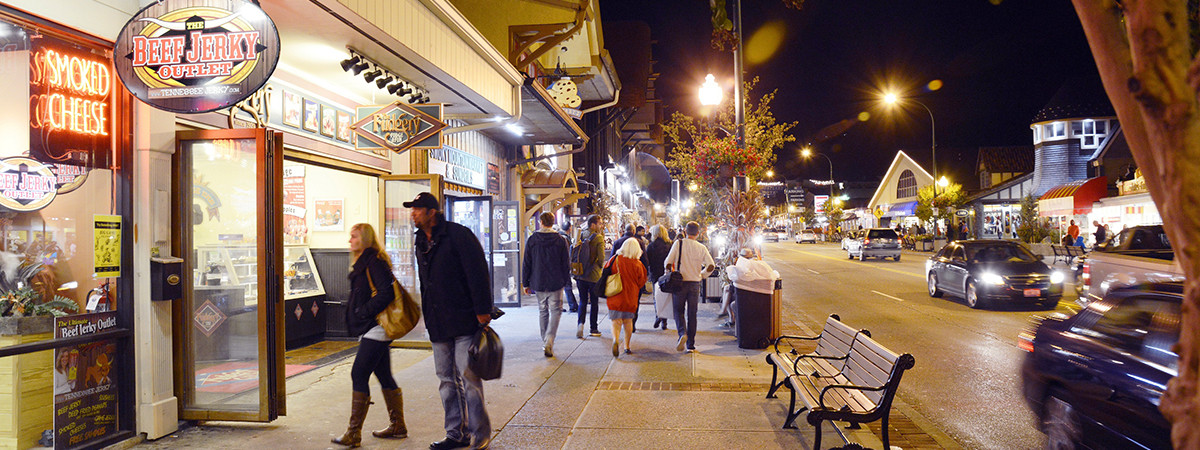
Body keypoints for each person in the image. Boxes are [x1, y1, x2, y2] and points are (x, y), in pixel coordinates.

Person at [405, 193, 493, 450]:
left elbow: (477, 272)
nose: (413, 214)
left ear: (432, 212)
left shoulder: (458, 235)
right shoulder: (420, 240)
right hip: (438, 322)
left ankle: (480, 433)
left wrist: (483, 310)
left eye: (418, 209)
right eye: (412, 210)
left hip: (464, 318)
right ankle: (456, 433)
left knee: (469, 378)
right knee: (445, 380)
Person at [332, 223, 407, 447]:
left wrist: (363, 312)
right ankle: (398, 426)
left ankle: (353, 433)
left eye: (353, 237)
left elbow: (386, 294)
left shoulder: (373, 262)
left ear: (364, 239)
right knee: (384, 375)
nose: (350, 241)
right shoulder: (365, 262)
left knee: (358, 373)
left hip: (376, 328)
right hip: (370, 328)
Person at [523, 212, 571, 358]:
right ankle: (550, 340)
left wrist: (525, 283)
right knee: (556, 310)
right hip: (556, 281)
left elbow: (527, 263)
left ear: (541, 223)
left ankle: (545, 341)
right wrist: (565, 280)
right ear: (552, 222)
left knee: (543, 311)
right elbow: (565, 263)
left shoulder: (532, 240)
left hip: (538, 281)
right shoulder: (561, 240)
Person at [665, 221, 715, 352]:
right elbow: (711, 265)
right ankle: (691, 345)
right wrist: (702, 275)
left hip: (679, 282)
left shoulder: (678, 243)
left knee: (678, 311)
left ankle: (682, 333)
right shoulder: (701, 247)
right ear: (698, 234)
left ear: (685, 232)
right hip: (694, 283)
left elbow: (668, 262)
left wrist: (669, 272)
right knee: (692, 314)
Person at [606, 239, 648, 357]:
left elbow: (605, 272)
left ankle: (615, 340)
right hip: (630, 296)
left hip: (615, 294)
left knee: (616, 321)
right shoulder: (638, 264)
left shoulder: (615, 260)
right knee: (628, 321)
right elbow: (642, 281)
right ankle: (627, 346)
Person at [725, 247, 779, 331]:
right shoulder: (759, 265)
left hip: (748, 300)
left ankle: (734, 322)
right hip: (760, 298)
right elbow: (771, 275)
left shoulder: (744, 266)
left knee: (733, 303)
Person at [575, 215, 605, 338]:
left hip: (580, 273)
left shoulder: (580, 234)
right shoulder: (598, 238)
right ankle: (593, 328)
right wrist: (598, 266)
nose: (601, 226)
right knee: (594, 302)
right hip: (593, 275)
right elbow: (602, 258)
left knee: (582, 301)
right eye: (600, 223)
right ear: (593, 224)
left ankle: (580, 325)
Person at [644, 225, 673, 330]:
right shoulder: (670, 245)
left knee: (656, 297)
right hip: (667, 274)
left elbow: (648, 261)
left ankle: (658, 315)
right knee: (666, 296)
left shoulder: (651, 246)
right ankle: (664, 320)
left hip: (655, 274)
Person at [558, 222, 579, 313]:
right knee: (567, 286)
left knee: (561, 287)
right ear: (569, 228)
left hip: (558, 266)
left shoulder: (559, 237)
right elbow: (567, 254)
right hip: (563, 266)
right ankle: (572, 305)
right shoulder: (564, 239)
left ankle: (569, 305)